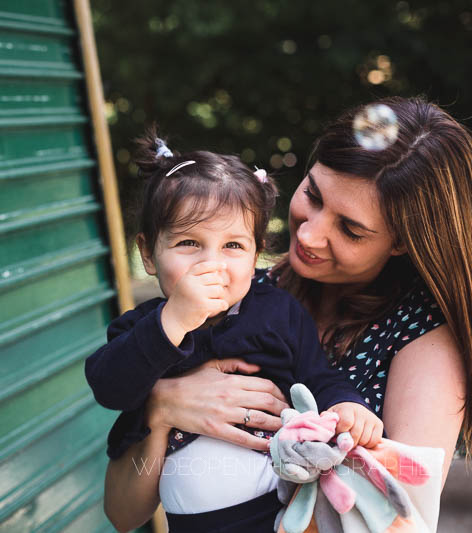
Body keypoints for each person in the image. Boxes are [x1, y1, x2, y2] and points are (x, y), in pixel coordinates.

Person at [101, 96, 472, 532]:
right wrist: (162, 409)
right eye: (312, 195)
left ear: (402, 243)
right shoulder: (242, 295)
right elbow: (123, 511)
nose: (310, 235)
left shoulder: (421, 336)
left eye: (350, 229)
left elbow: (400, 521)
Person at [85, 130, 383, 531]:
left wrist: (348, 405)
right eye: (190, 242)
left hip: (274, 510)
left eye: (233, 246)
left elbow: (318, 375)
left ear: (257, 253)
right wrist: (173, 321)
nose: (213, 265)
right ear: (148, 253)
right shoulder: (142, 328)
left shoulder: (278, 312)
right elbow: (110, 387)